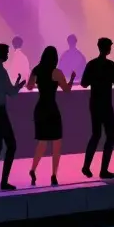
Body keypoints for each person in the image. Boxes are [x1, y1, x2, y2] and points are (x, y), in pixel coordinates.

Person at [81, 37, 114, 179]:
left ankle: (86, 166)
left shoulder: (91, 64)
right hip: (106, 105)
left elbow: (84, 83)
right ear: (108, 48)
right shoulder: (110, 65)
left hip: (94, 103)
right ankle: (103, 170)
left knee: (95, 135)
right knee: (111, 136)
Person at [28, 46, 75, 186]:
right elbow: (67, 89)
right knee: (56, 144)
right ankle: (54, 175)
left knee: (41, 142)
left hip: (40, 108)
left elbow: (29, 86)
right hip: (52, 109)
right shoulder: (57, 73)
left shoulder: (36, 70)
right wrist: (71, 78)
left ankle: (33, 169)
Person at [0, 44, 26, 191]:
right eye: (7, 52)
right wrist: (19, 85)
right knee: (10, 145)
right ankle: (3, 182)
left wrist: (14, 86)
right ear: (3, 54)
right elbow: (12, 93)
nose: (8, 54)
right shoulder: (1, 72)